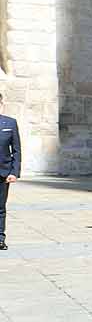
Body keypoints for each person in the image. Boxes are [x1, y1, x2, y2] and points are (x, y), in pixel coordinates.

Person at [0, 92, 18, 251]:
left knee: (0, 207)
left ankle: (0, 238)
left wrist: (14, 171)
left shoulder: (10, 123)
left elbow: (17, 150)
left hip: (3, 173)